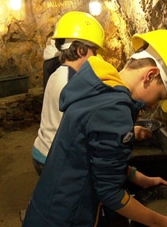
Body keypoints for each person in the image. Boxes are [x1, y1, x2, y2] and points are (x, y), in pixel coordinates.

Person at [22, 29, 167, 227]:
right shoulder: (114, 111)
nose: (153, 105)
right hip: (68, 226)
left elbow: (92, 156)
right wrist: (161, 223)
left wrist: (139, 177)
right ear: (150, 75)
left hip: (54, 211)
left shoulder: (99, 86)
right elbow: (110, 193)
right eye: (159, 96)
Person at [32, 11, 105, 176]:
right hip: (53, 158)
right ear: (81, 50)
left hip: (41, 150)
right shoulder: (72, 83)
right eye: (94, 51)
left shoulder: (57, 74)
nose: (97, 57)